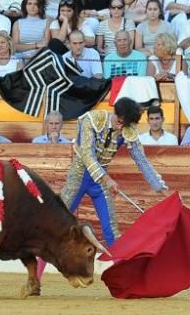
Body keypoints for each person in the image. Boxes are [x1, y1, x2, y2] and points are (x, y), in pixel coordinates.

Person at [60, 97, 169, 245]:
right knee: (57, 223)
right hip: (79, 176)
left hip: (99, 182)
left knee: (112, 231)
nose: (120, 128)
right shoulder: (92, 119)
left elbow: (141, 161)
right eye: (119, 122)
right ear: (114, 113)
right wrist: (107, 179)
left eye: (125, 125)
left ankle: (122, 268)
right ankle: (37, 267)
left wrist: (161, 189)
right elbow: (87, 155)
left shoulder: (127, 129)